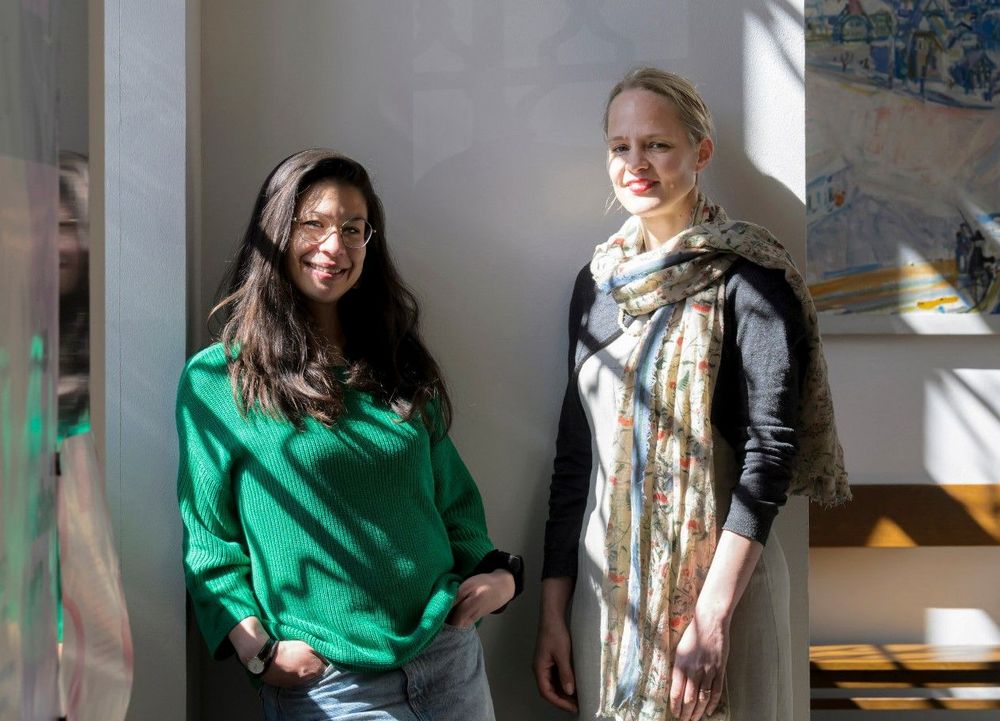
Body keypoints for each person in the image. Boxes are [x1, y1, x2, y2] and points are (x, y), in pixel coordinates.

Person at [533, 69, 849, 721]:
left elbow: (769, 457)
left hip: (727, 597)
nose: (635, 163)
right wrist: (554, 613)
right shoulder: (597, 286)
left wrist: (711, 619)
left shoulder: (751, 279)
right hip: (608, 599)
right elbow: (576, 458)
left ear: (701, 152)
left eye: (657, 144)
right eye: (620, 146)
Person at [176, 149, 523, 721]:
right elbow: (209, 542)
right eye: (313, 224)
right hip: (331, 686)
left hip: (446, 659)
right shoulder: (220, 379)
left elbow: (453, 504)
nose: (334, 246)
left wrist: (501, 574)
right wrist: (259, 653)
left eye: (353, 229)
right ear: (276, 231)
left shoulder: (396, 363)